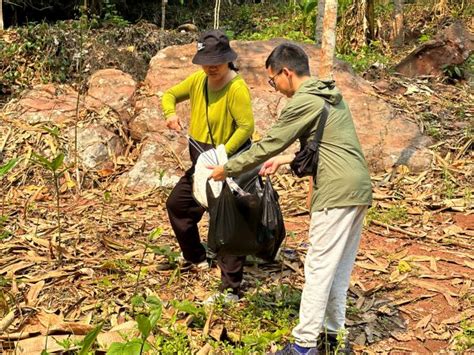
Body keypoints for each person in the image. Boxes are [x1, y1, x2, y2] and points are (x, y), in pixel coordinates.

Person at [209, 43, 373, 354]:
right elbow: (326, 144)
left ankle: (304, 345)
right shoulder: (329, 95)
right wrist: (285, 160)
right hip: (358, 187)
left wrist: (227, 167)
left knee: (319, 267)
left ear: (286, 72)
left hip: (336, 190)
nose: (275, 88)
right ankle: (332, 336)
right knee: (337, 268)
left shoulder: (303, 101)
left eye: (273, 81)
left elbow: (269, 142)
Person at [162, 29, 254, 303]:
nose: (212, 66)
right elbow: (169, 94)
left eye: (218, 60)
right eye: (207, 60)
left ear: (228, 59)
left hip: (228, 161)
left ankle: (231, 289)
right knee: (178, 205)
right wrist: (170, 114)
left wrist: (223, 155)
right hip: (201, 161)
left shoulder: (236, 88)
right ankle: (195, 256)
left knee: (226, 220)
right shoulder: (198, 81)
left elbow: (247, 126)